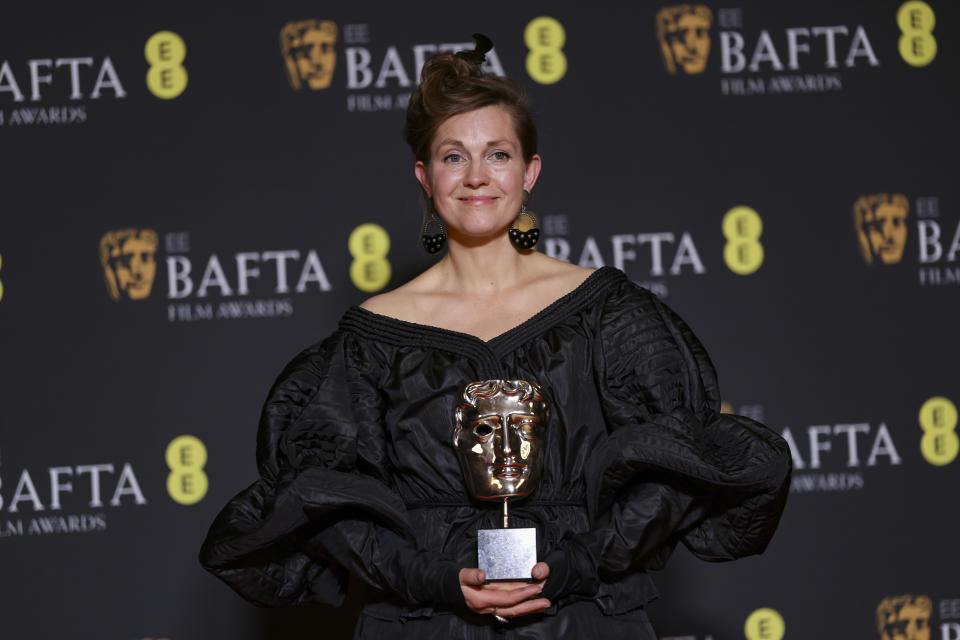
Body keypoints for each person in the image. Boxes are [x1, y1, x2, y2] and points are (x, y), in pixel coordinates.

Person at [199, 36, 791, 638]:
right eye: (454, 157)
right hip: (425, 622)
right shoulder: (371, 337)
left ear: (530, 171)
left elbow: (675, 467)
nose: (477, 176)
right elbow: (323, 501)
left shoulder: (607, 312)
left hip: (582, 617)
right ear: (425, 177)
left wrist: (578, 562)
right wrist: (428, 576)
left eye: (498, 154)